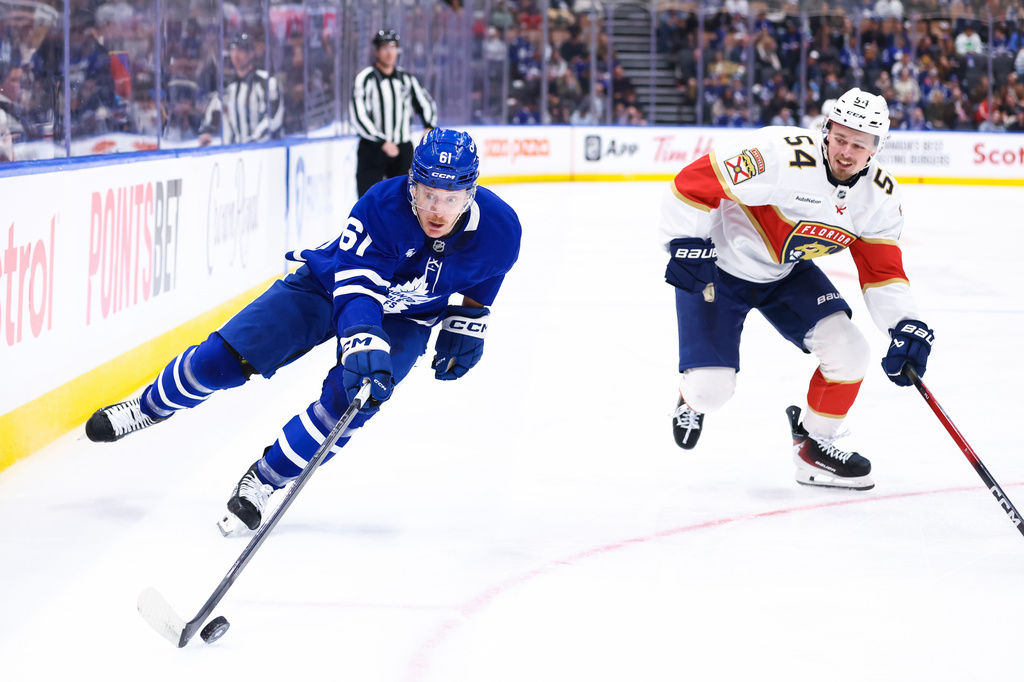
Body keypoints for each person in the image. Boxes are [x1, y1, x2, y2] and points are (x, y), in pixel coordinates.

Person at [84, 129, 522, 533]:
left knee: (353, 402)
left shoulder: (502, 230)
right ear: (411, 184)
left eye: (449, 199)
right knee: (222, 360)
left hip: (406, 317)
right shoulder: (382, 206)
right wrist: (362, 338)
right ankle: (149, 405)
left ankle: (265, 479)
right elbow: (357, 292)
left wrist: (471, 319)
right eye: (427, 196)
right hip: (329, 287)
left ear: (470, 192)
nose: (436, 211)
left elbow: (487, 273)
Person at [659, 87, 935, 491]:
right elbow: (692, 184)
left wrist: (906, 324)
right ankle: (690, 399)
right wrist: (684, 242)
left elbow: (882, 272)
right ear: (826, 130)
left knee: (851, 352)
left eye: (859, 144)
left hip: (785, 272)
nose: (846, 151)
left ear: (877, 147)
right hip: (716, 268)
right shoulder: (777, 154)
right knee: (710, 393)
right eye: (840, 138)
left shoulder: (878, 197)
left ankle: (814, 448)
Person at [350, 29, 437, 197]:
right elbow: (358, 115)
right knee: (368, 199)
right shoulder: (366, 78)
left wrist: (428, 126)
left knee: (403, 200)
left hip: (402, 148)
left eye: (393, 46)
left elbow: (426, 103)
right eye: (384, 47)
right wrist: (382, 141)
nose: (389, 52)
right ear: (376, 51)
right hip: (373, 148)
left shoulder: (406, 78)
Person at [199, 32, 283, 146]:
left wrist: (253, 141)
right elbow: (214, 111)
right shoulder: (227, 86)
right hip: (235, 153)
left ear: (251, 53)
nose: (236, 55)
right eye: (233, 50)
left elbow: (273, 118)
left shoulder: (267, 82)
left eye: (241, 50)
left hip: (264, 151)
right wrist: (207, 132)